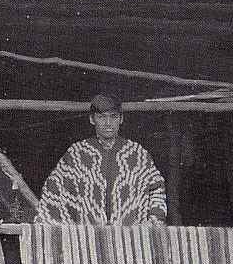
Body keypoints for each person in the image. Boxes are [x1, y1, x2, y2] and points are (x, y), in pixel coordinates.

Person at [35, 93, 167, 225]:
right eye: (102, 117)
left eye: (113, 117)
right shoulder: (77, 154)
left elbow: (157, 189)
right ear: (92, 120)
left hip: (130, 240)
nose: (108, 123)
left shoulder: (138, 154)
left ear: (121, 119)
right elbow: (53, 190)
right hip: (88, 238)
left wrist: (153, 221)